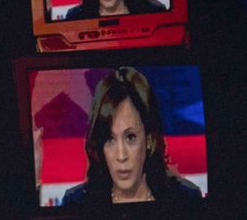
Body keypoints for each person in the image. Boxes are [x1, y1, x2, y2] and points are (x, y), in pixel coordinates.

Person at [60, 66, 202, 208]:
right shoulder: (77, 203)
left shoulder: (184, 198)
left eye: (130, 137)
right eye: (110, 139)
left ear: (149, 138)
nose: (121, 155)